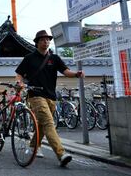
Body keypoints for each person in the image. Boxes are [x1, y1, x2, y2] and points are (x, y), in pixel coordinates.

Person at [15, 30, 85, 167]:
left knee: (42, 124)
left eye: (47, 39)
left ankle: (34, 145)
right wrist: (19, 82)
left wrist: (76, 74)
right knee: (48, 123)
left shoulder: (55, 58)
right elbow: (19, 73)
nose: (45, 41)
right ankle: (61, 153)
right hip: (35, 95)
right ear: (37, 42)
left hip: (51, 97)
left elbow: (65, 71)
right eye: (42, 40)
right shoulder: (29, 58)